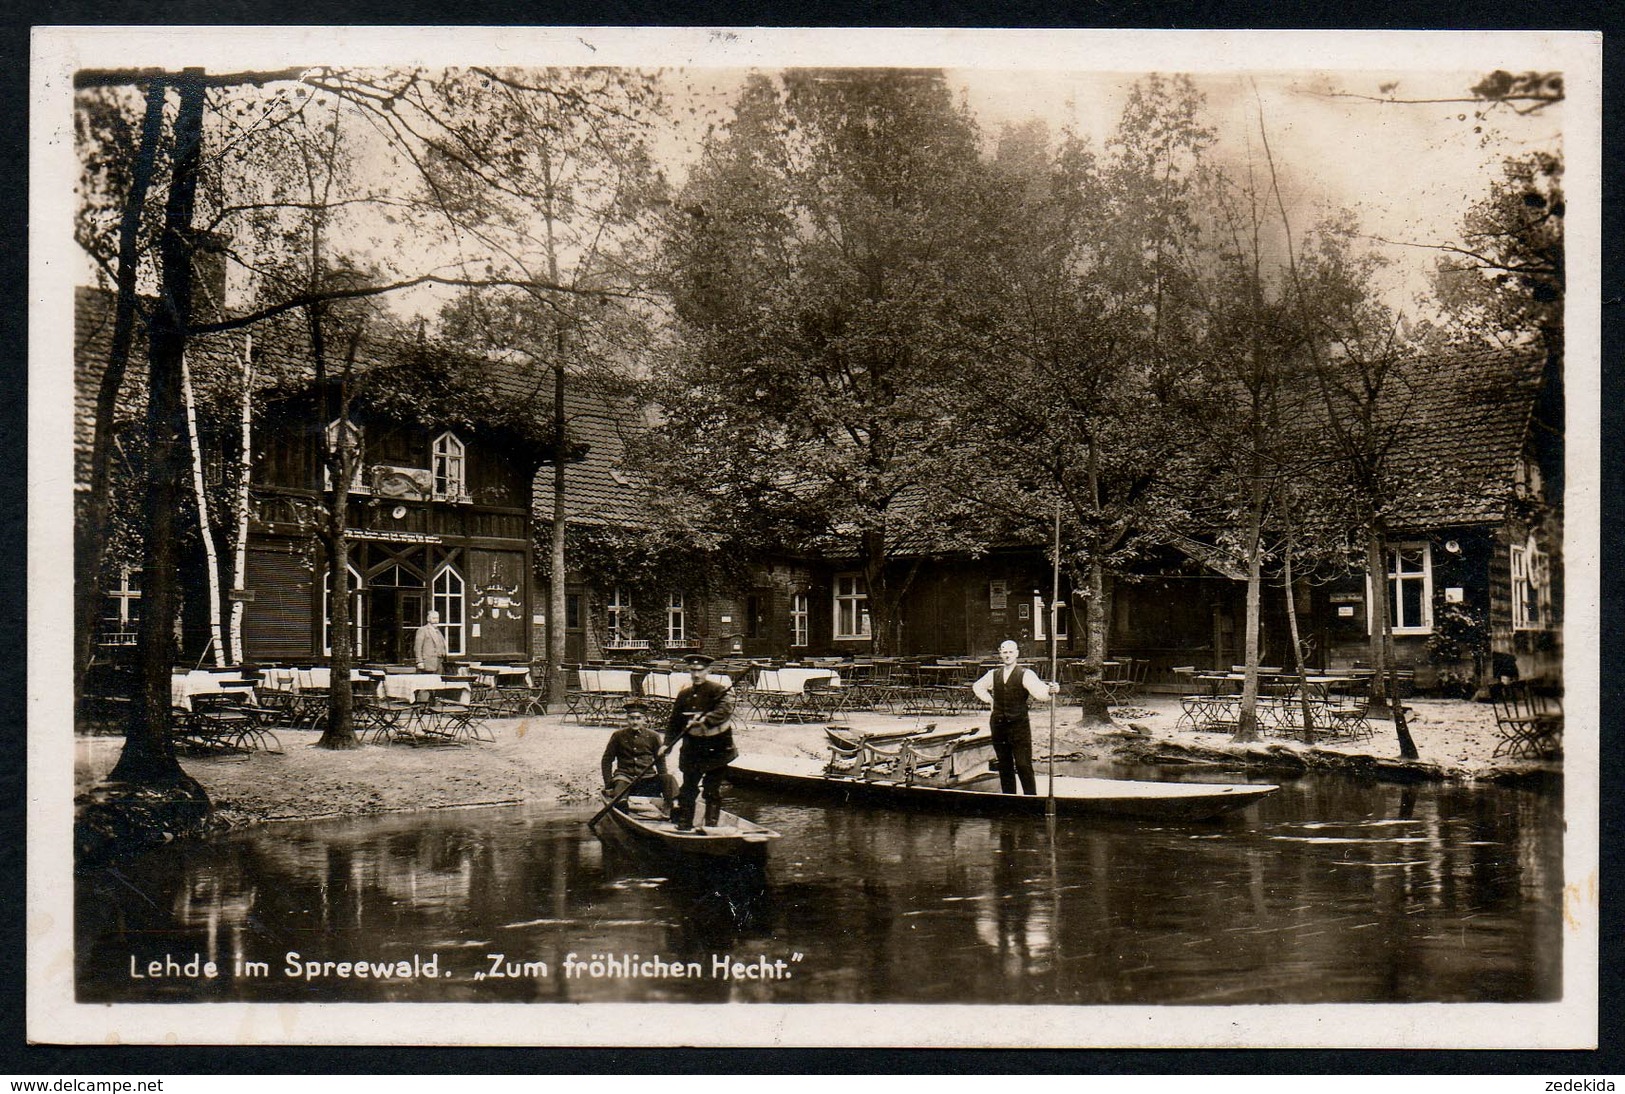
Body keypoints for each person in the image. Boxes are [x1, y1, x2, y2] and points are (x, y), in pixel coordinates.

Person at [971, 639, 1061, 795]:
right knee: (1004, 764)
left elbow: (1040, 693)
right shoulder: (993, 674)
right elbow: (977, 687)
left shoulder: (1025, 674)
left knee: (1023, 764)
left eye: (1010, 652)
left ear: (1017, 654)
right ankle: (1009, 797)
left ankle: (1030, 798)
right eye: (1004, 652)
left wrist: (1051, 690)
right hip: (999, 725)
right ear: (1000, 654)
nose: (1007, 655)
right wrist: (989, 700)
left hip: (1018, 725)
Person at [665, 653, 737, 831]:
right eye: (692, 671)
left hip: (717, 749)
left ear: (708, 670)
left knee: (712, 790)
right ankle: (684, 824)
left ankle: (711, 827)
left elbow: (725, 710)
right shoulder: (684, 695)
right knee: (688, 788)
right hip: (693, 749)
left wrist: (705, 719)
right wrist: (667, 744)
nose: (696, 675)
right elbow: (674, 722)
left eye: (700, 670)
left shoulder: (718, 691)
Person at [600, 700, 677, 814]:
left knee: (669, 779)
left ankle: (674, 807)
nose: (635, 722)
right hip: (625, 779)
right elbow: (606, 760)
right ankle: (622, 805)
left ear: (644, 719)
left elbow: (660, 762)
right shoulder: (618, 736)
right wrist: (608, 785)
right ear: (627, 719)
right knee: (621, 800)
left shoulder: (653, 736)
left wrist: (664, 785)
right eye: (631, 718)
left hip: (647, 780)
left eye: (638, 718)